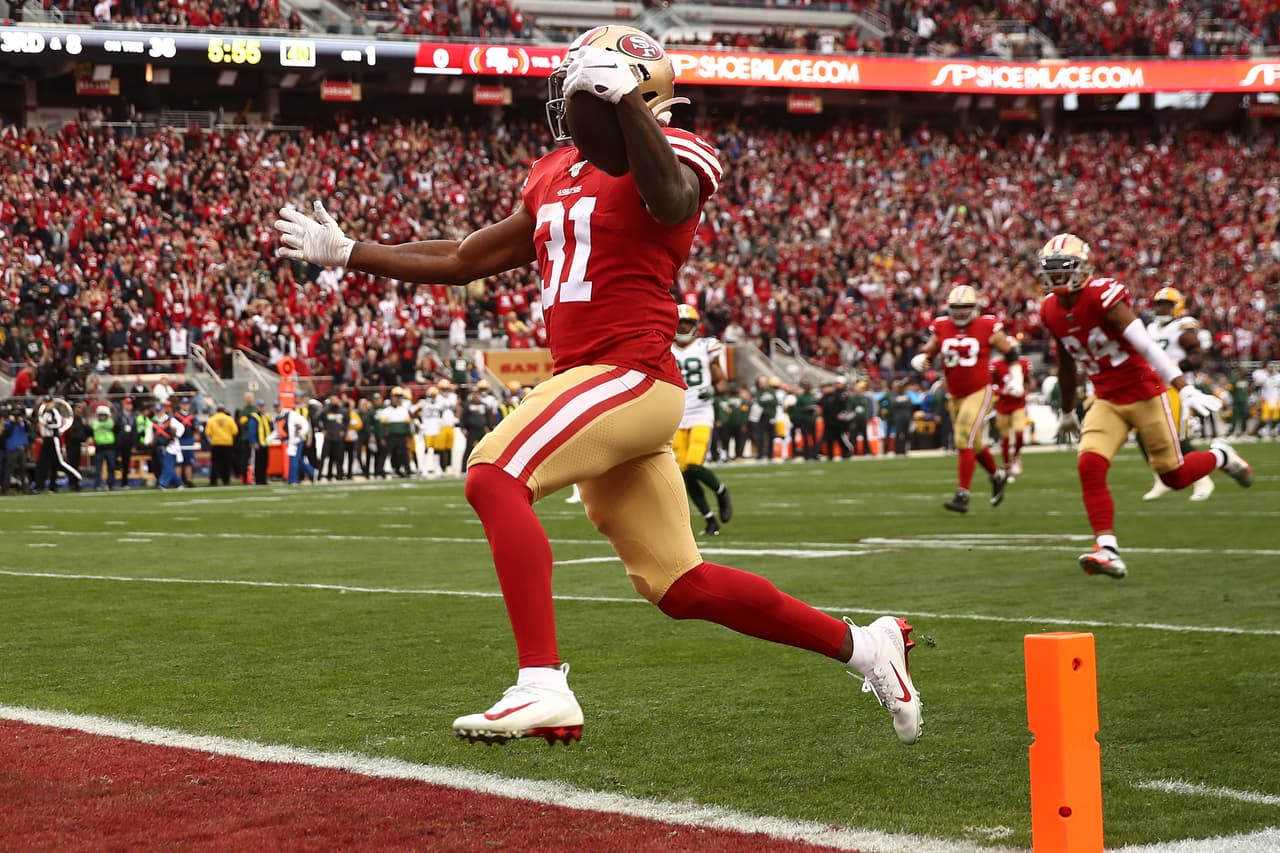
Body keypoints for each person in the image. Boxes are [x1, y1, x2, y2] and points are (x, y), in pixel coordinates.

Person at [275, 24, 922, 748]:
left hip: (631, 374)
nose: (570, 100)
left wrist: (629, 106)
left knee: (494, 474)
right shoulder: (553, 171)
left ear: (632, 92)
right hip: (599, 384)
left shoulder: (680, 147)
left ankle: (541, 682)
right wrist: (351, 251)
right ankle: (868, 648)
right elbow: (463, 258)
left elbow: (670, 200)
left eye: (586, 85)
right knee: (680, 585)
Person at [1036, 234, 1252, 579]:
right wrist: (1065, 412)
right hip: (1106, 398)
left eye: (1064, 268)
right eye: (1052, 270)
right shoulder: (1049, 309)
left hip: (1144, 394)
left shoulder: (1103, 296)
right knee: (1089, 464)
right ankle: (1107, 548)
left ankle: (1221, 456)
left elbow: (1148, 347)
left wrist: (1184, 388)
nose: (1057, 276)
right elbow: (1065, 364)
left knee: (1175, 476)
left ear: (1083, 268)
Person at [911, 285, 1015, 513]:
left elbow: (1010, 351)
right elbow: (930, 351)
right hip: (955, 393)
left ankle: (962, 495)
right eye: (956, 308)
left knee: (962, 437)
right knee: (974, 445)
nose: (960, 312)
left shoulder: (986, 325)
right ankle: (997, 476)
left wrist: (1015, 376)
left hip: (979, 390)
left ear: (974, 307)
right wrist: (921, 358)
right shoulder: (942, 326)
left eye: (965, 307)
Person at [1140, 287, 1215, 502]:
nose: (1161, 309)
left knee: (1173, 436)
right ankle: (1161, 478)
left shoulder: (1182, 327)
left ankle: (1202, 478)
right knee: (1142, 435)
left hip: (1175, 388)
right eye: (1159, 305)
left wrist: (1172, 367)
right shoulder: (1151, 328)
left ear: (1177, 306)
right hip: (1150, 388)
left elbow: (1197, 357)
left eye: (1166, 305)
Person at [671, 304, 733, 536]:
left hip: (700, 412)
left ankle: (720, 490)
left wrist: (714, 390)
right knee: (683, 470)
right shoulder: (665, 348)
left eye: (687, 323)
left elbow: (723, 383)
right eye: (679, 323)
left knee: (693, 464)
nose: (682, 327)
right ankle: (710, 520)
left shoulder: (706, 347)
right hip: (675, 414)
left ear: (695, 326)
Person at [991, 351, 1034, 481]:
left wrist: (1025, 392)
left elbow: (1029, 381)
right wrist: (1003, 391)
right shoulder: (996, 365)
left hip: (1018, 405)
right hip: (1003, 406)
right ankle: (1007, 468)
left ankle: (1016, 457)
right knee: (1005, 439)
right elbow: (991, 385)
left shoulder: (1023, 363)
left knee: (1019, 433)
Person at [204, 404, 239, 486]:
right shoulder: (229, 419)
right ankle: (226, 480)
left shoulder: (212, 419)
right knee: (226, 463)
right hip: (227, 443)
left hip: (216, 443)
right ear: (224, 410)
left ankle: (213, 480)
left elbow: (208, 433)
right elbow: (235, 431)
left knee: (215, 463)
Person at [90, 404, 116, 490]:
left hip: (110, 447)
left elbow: (112, 425)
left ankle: (110, 484)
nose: (102, 417)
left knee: (111, 467)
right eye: (101, 415)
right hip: (99, 448)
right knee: (98, 468)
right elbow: (93, 427)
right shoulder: (95, 423)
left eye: (104, 415)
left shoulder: (110, 423)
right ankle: (97, 485)